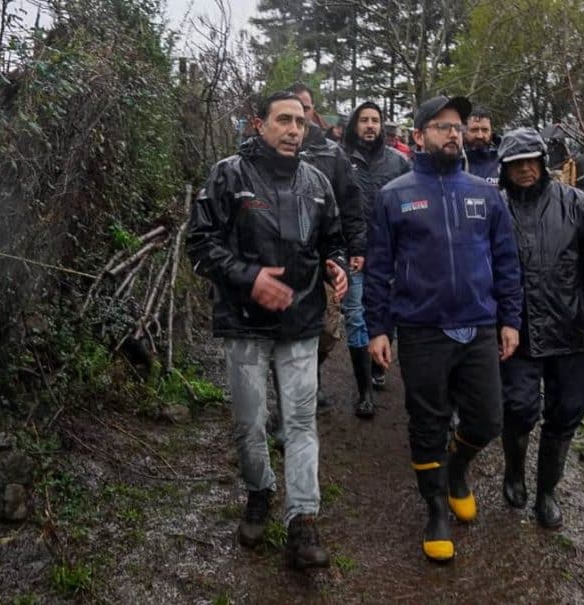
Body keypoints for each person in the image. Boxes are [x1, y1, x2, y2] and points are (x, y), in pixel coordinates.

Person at [186, 91, 349, 569]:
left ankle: (303, 520)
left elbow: (333, 239)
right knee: (249, 423)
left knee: (300, 424)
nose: (294, 130)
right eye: (283, 120)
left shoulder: (317, 182)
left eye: (299, 121)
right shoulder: (228, 175)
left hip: (300, 321)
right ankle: (259, 491)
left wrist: (336, 265)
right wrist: (249, 277)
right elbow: (200, 244)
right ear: (259, 124)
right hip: (244, 323)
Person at [364, 95, 522, 562]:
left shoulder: (485, 194)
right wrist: (378, 328)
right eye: (441, 127)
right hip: (421, 328)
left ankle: (457, 469)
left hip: (477, 324)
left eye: (458, 126)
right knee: (427, 421)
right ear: (419, 137)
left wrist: (509, 319)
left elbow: (506, 262)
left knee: (488, 419)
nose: (453, 133)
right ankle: (435, 507)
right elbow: (377, 269)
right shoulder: (394, 196)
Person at [495, 127, 584, 528]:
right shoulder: (495, 209)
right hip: (517, 333)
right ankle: (514, 469)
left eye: (531, 161)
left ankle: (547, 490)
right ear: (505, 169)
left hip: (569, 330)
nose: (525, 170)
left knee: (566, 411)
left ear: (542, 162)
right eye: (516, 164)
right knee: (518, 409)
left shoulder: (577, 204)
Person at [290, 83, 366, 411]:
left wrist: (356, 248)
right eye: (293, 109)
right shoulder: (268, 150)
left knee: (328, 330)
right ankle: (291, 398)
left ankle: (313, 373)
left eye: (305, 109)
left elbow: (350, 204)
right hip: (280, 258)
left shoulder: (332, 153)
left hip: (323, 255)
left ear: (313, 113)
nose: (300, 117)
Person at [341, 100, 411, 418]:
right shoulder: (340, 160)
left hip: (390, 254)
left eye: (375, 120)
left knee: (386, 311)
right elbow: (336, 207)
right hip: (352, 253)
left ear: (382, 126)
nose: (370, 125)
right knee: (355, 316)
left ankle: (380, 363)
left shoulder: (399, 162)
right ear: (355, 124)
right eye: (364, 120)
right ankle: (364, 390)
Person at [464, 105, 500, 185]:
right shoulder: (454, 161)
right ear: (464, 132)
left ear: (491, 132)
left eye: (485, 130)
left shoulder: (503, 160)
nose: (480, 136)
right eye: (474, 130)